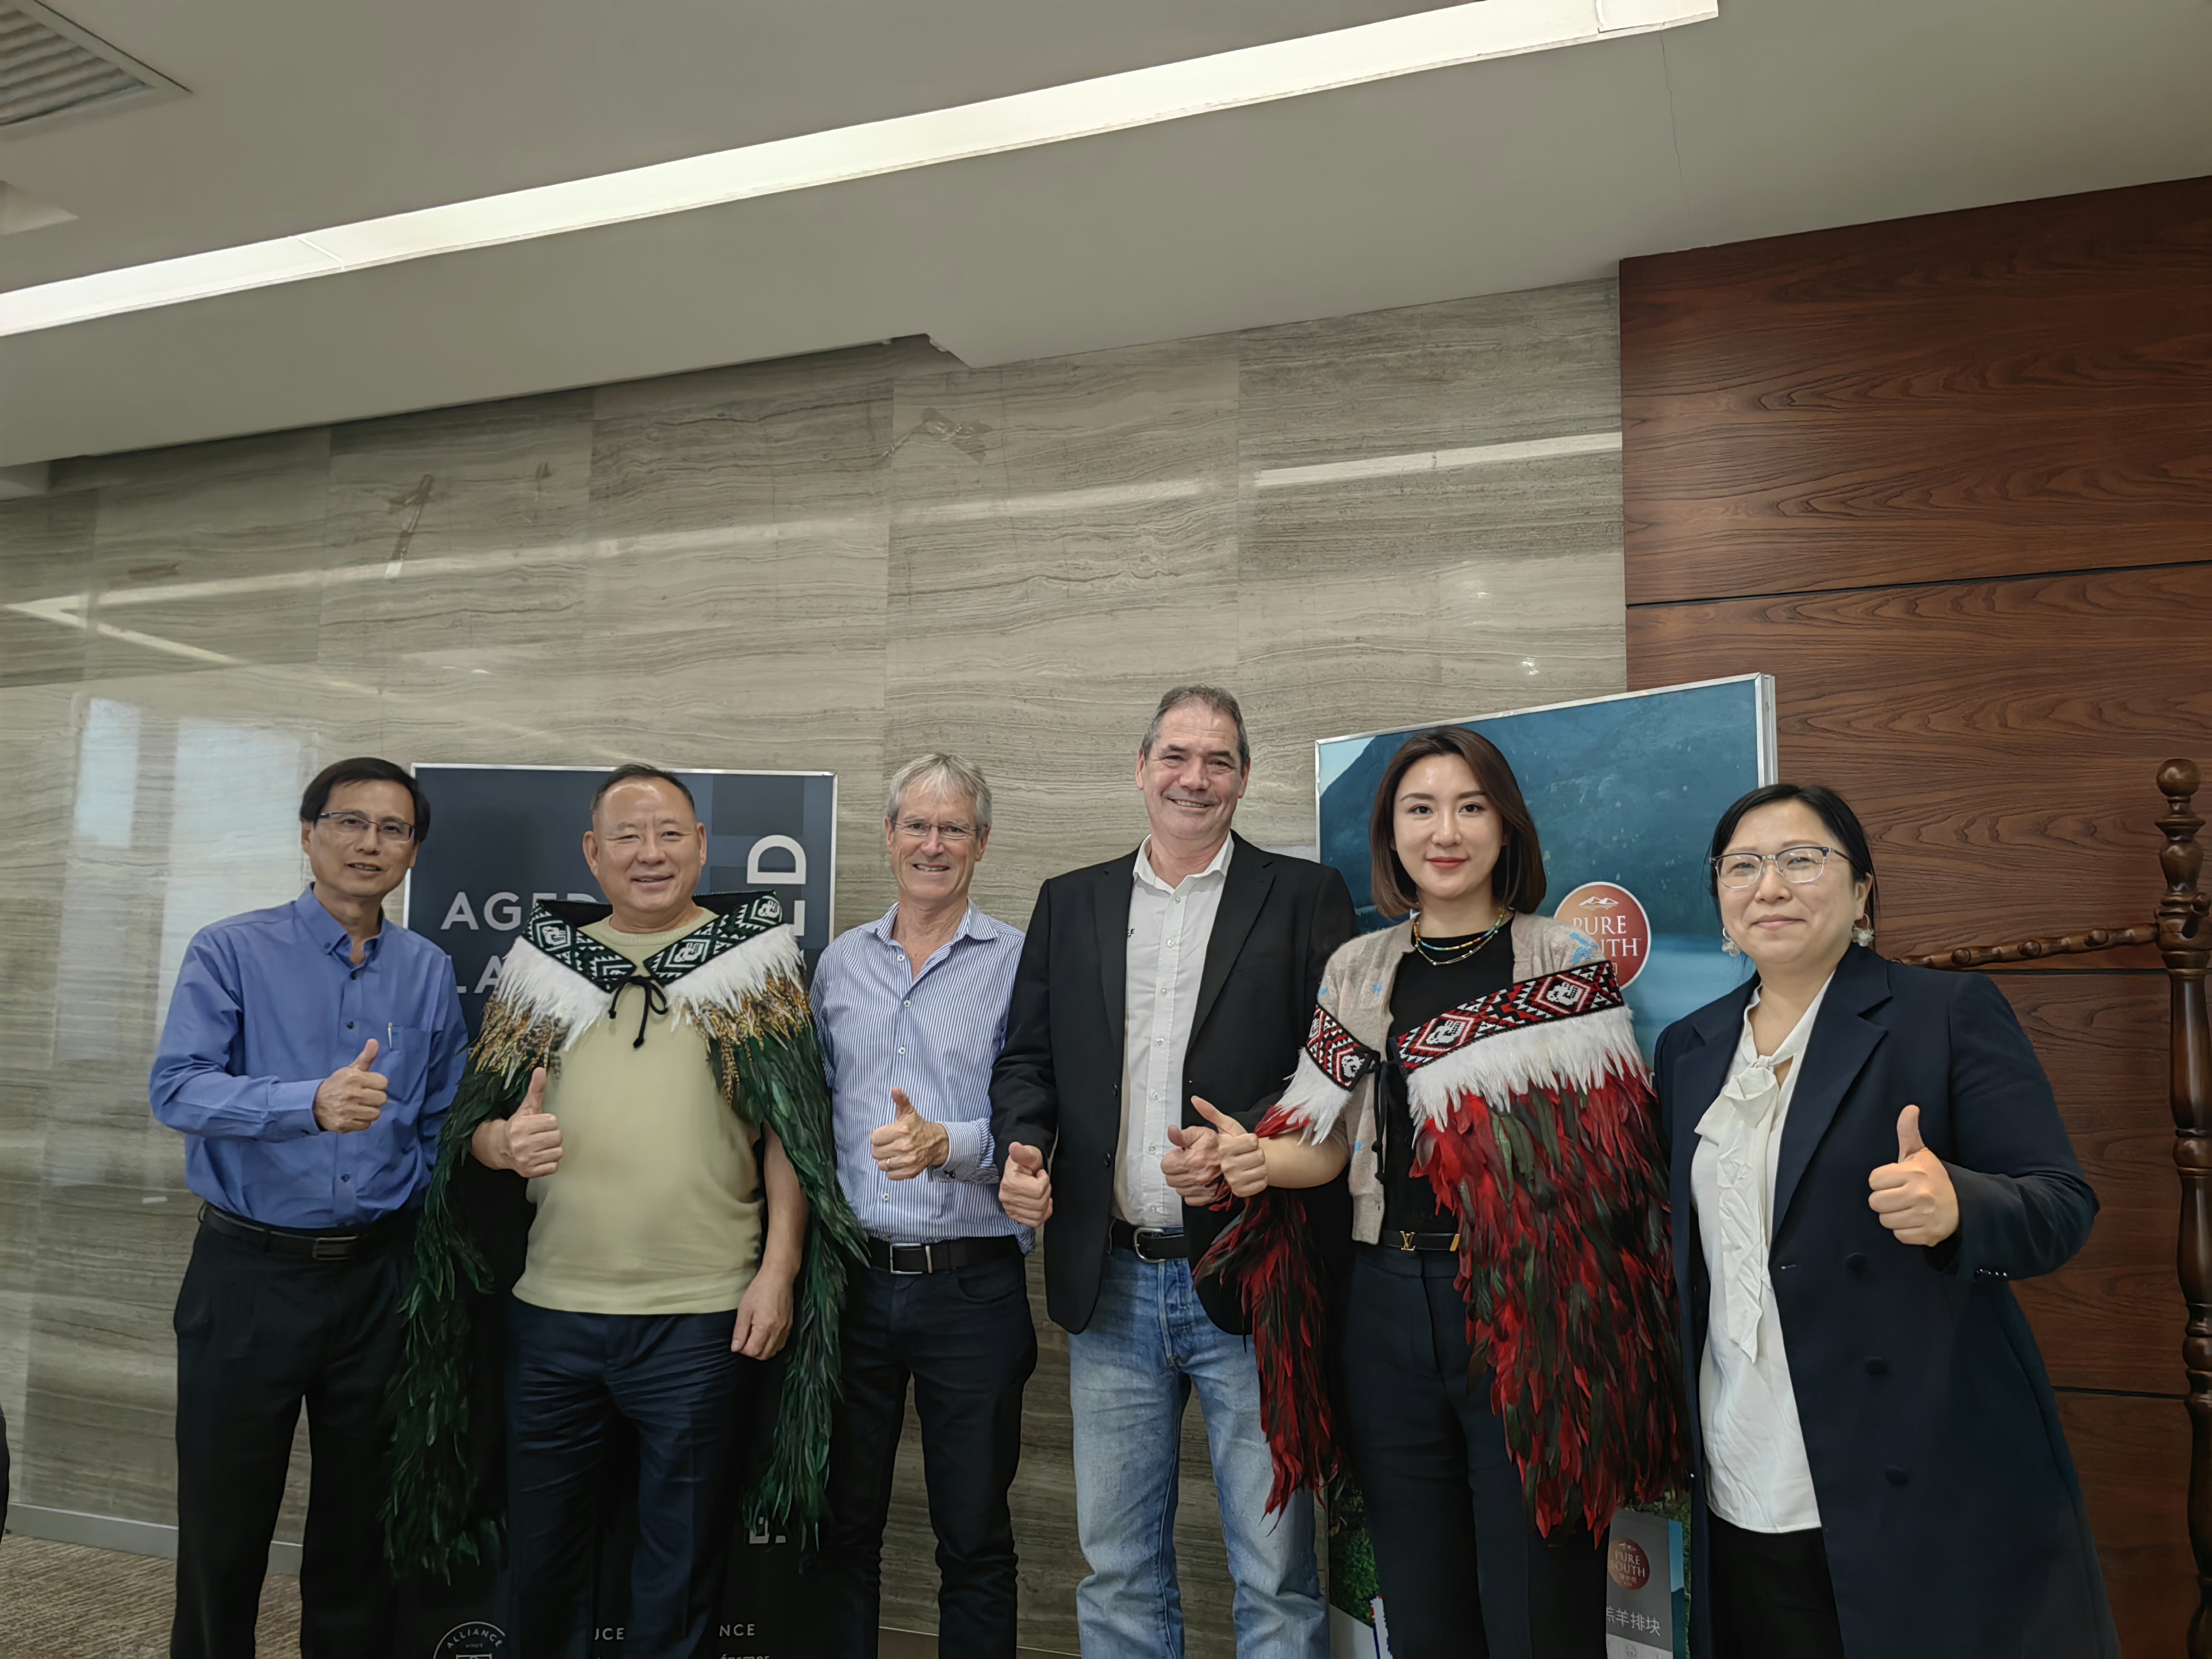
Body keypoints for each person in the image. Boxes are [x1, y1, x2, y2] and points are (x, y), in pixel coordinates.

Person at [1190, 725, 1682, 1659]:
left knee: (1540, 1603)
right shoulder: (1358, 968)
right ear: (1391, 833)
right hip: (1385, 1308)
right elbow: (1327, 1145)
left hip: (1528, 1310)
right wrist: (1254, 1160)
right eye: (1420, 809)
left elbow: (1612, 1169)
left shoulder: (1563, 961)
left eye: (1470, 807)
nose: (1444, 831)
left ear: (1506, 827)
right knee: (1421, 1603)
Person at [383, 763, 864, 1658]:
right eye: (629, 836)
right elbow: (472, 1132)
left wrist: (780, 1270)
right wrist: (501, 1146)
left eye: (670, 833)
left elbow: (793, 1137)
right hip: (553, 1315)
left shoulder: (757, 965)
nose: (652, 853)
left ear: (701, 847)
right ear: (593, 852)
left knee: (681, 1566)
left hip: (703, 1316)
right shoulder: (540, 967)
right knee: (545, 1560)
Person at [1655, 783, 2117, 1658]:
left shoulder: (1943, 1013)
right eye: (1743, 866)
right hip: (1740, 1460)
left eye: (1801, 860)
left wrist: (1960, 1207)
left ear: (1862, 890)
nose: (1770, 886)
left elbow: (2062, 1205)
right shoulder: (1690, 1047)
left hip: (1911, 1466)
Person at [991, 684, 1355, 1659]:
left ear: (1245, 777)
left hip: (1253, 1272)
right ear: (1141, 768)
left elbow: (1333, 1071)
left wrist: (1250, 1147)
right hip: (1108, 1280)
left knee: (1276, 1574)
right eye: (1177, 757)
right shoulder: (1071, 900)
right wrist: (1024, 1146)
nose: (1196, 778)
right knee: (1117, 1569)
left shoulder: (1306, 895)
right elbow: (1027, 1061)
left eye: (1218, 760)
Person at [149, 757, 467, 1659]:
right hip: (249, 1275)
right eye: (349, 822)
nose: (370, 843)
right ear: (308, 833)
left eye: (394, 829)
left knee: (361, 1527)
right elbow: (177, 1088)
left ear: (413, 850)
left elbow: (440, 1118)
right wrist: (307, 1104)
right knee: (224, 1519)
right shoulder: (231, 949)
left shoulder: (428, 969)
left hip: (379, 1278)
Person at [811, 753, 1034, 1657]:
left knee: (974, 1537)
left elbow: (1042, 1119)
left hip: (972, 1289)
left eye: (953, 829)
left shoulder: (1021, 963)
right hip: (852, 1286)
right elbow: (814, 1114)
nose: (932, 845)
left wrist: (951, 1145)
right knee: (841, 1527)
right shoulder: (838, 965)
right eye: (917, 825)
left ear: (982, 843)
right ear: (889, 835)